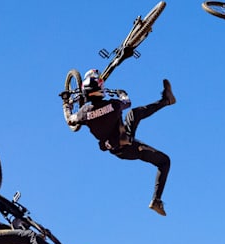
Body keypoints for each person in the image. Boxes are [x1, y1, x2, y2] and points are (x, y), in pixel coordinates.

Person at [63, 69, 175, 216]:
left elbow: (70, 120)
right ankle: (156, 200)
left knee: (134, 115)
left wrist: (66, 104)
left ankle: (167, 100)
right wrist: (121, 93)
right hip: (127, 146)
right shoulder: (114, 105)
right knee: (164, 161)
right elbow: (127, 102)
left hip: (117, 146)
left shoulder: (84, 113)